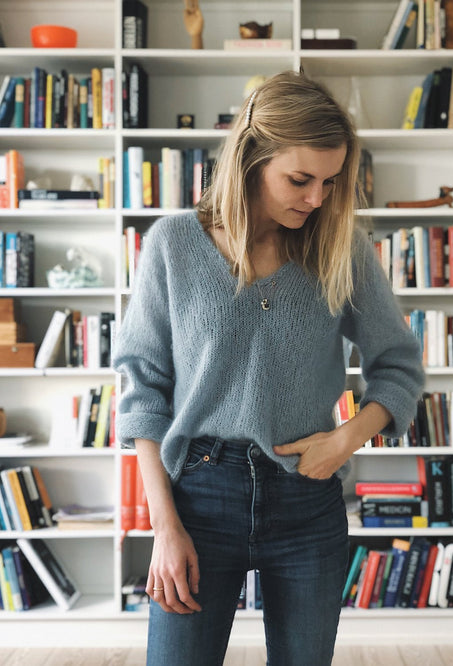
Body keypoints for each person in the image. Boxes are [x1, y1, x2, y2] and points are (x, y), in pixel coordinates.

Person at [112, 70, 425, 666]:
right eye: (300, 179)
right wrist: (165, 527)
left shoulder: (341, 248)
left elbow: (398, 365)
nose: (316, 199)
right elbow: (144, 395)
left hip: (307, 500)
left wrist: (346, 439)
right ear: (252, 158)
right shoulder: (173, 246)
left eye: (330, 182)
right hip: (199, 498)